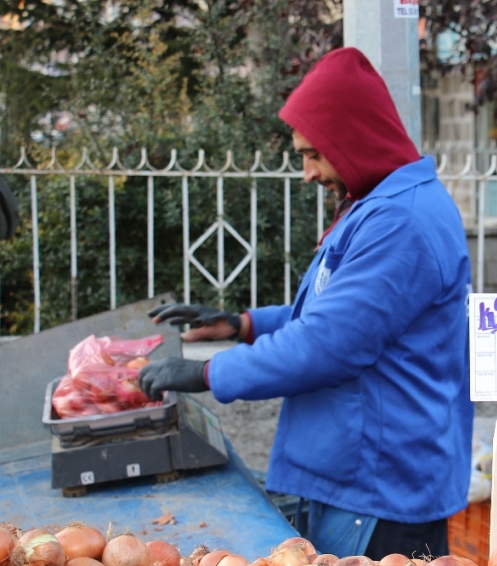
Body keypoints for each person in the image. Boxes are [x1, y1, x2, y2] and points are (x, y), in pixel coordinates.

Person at [139, 47, 473, 560]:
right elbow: (333, 315)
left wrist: (209, 375)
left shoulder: (401, 222)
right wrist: (241, 323)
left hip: (378, 492)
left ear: (354, 139)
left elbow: (327, 345)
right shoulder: (378, 206)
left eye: (313, 154)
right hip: (361, 478)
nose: (307, 174)